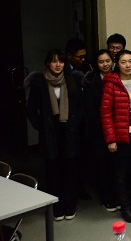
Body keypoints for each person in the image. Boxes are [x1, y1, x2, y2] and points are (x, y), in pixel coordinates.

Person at [26, 49, 84, 220]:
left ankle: (70, 204)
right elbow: (31, 110)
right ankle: (57, 206)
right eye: (54, 61)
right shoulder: (39, 82)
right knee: (53, 170)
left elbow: (81, 107)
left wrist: (76, 123)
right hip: (50, 132)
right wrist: (41, 126)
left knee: (70, 169)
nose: (58, 65)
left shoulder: (73, 79)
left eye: (61, 61)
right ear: (47, 63)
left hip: (70, 131)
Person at [100, 50, 131, 223]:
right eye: (123, 62)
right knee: (121, 174)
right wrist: (111, 139)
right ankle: (125, 207)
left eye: (130, 61)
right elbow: (105, 113)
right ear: (117, 64)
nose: (128, 65)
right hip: (120, 136)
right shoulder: (111, 83)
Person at [82, 49, 117, 212]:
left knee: (117, 165)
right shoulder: (91, 81)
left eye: (107, 61)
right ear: (96, 64)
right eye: (101, 62)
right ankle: (106, 197)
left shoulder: (117, 77)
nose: (105, 64)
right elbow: (90, 109)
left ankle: (118, 195)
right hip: (98, 130)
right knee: (102, 165)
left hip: (117, 128)